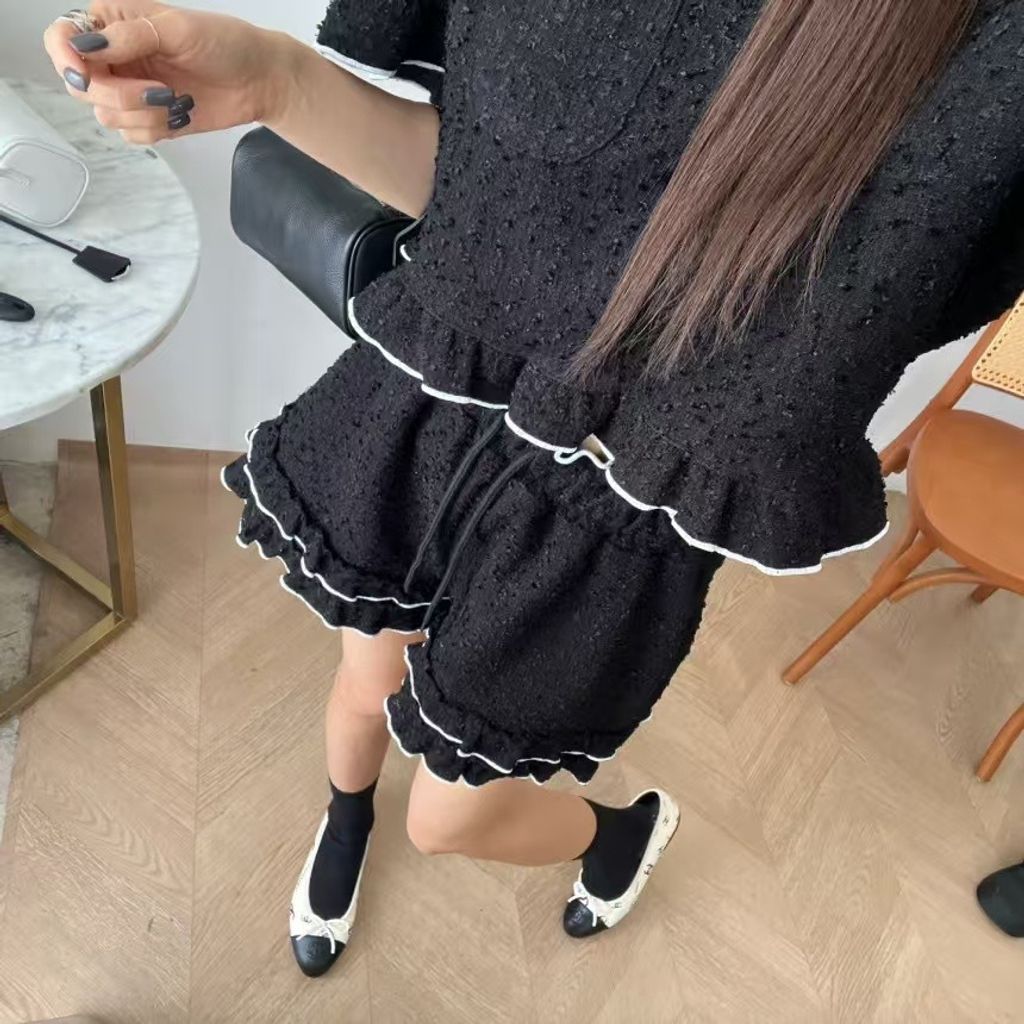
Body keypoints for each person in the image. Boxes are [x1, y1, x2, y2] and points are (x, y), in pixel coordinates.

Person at [44, 0, 1024, 978]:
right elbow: (480, 201)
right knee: (363, 685)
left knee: (448, 816)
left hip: (613, 502)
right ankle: (346, 818)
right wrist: (276, 81)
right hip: (440, 395)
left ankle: (619, 832)